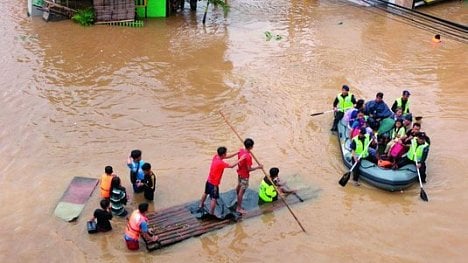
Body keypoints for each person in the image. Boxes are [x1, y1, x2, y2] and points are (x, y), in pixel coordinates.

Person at [199, 147, 244, 215]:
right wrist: (241, 159)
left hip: (209, 180)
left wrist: (236, 153)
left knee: (205, 193)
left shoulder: (216, 157)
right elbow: (231, 166)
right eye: (225, 153)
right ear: (223, 154)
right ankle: (211, 213)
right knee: (214, 199)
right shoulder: (221, 163)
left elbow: (227, 156)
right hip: (214, 184)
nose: (226, 154)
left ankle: (201, 205)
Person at [236, 138, 263, 214]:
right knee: (242, 191)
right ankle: (239, 208)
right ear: (251, 147)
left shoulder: (241, 150)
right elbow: (249, 169)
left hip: (239, 172)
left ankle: (237, 196)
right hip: (244, 175)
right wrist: (258, 167)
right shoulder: (248, 157)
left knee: (239, 185)